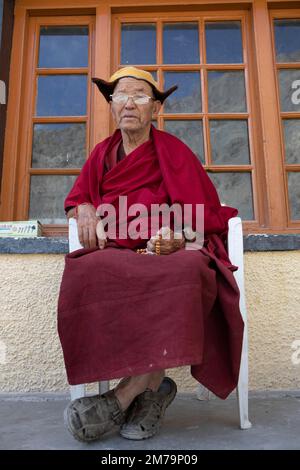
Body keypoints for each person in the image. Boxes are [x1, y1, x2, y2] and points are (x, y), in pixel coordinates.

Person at [58, 66, 244, 443]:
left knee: (190, 269)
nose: (129, 103)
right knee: (86, 271)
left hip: (170, 251)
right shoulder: (102, 154)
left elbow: (207, 214)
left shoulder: (175, 152)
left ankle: (120, 398)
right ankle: (153, 394)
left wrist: (179, 234)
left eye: (140, 95)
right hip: (119, 250)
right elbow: (78, 197)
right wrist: (85, 208)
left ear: (155, 108)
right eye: (121, 95)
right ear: (111, 105)